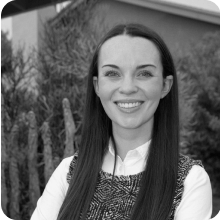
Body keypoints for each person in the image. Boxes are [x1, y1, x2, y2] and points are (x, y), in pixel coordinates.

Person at [31, 23, 212, 220]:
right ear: (97, 85)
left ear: (165, 85)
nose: (127, 88)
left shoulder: (190, 182)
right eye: (112, 74)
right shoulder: (68, 172)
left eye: (144, 74)